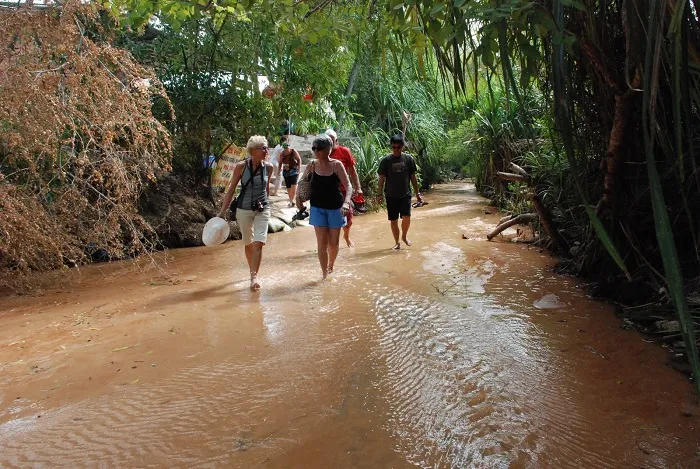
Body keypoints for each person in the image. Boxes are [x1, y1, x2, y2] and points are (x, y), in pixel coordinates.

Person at [218, 136, 274, 291]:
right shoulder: (241, 167)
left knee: (259, 242)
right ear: (252, 150)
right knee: (248, 243)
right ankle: (252, 273)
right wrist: (222, 212)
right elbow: (231, 190)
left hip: (262, 209)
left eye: (266, 147)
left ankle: (254, 277)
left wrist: (267, 203)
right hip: (243, 208)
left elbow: (266, 188)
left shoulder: (269, 167)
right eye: (262, 148)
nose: (266, 150)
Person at [297, 135, 353, 279]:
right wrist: (298, 198)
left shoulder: (336, 165)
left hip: (336, 207)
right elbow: (302, 182)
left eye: (319, 149)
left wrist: (347, 202)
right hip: (317, 207)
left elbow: (348, 186)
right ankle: (324, 275)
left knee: (333, 244)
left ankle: (331, 265)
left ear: (329, 149)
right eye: (314, 148)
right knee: (321, 243)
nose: (316, 151)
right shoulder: (312, 165)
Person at [377, 134, 423, 250]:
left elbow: (413, 177)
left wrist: (417, 193)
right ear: (391, 147)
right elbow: (381, 178)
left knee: (407, 217)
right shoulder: (386, 161)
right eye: (394, 147)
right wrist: (379, 194)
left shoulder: (408, 159)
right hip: (391, 195)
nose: (396, 150)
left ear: (402, 147)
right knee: (393, 220)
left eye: (398, 147)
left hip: (405, 194)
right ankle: (397, 242)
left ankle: (404, 236)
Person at [325, 129, 362, 247]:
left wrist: (358, 187)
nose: (330, 144)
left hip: (344, 190)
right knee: (328, 220)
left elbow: (352, 170)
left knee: (348, 219)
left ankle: (346, 236)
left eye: (332, 141)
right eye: (327, 142)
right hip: (328, 192)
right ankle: (329, 243)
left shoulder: (344, 151)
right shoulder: (322, 153)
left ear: (336, 141)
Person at [278, 140, 302, 207]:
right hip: (286, 171)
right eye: (285, 148)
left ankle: (291, 201)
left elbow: (299, 159)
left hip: (294, 170)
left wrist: (299, 168)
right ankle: (291, 200)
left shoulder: (293, 151)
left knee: (293, 185)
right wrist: (279, 170)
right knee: (288, 186)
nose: (286, 150)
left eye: (287, 148)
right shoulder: (282, 153)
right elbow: (280, 163)